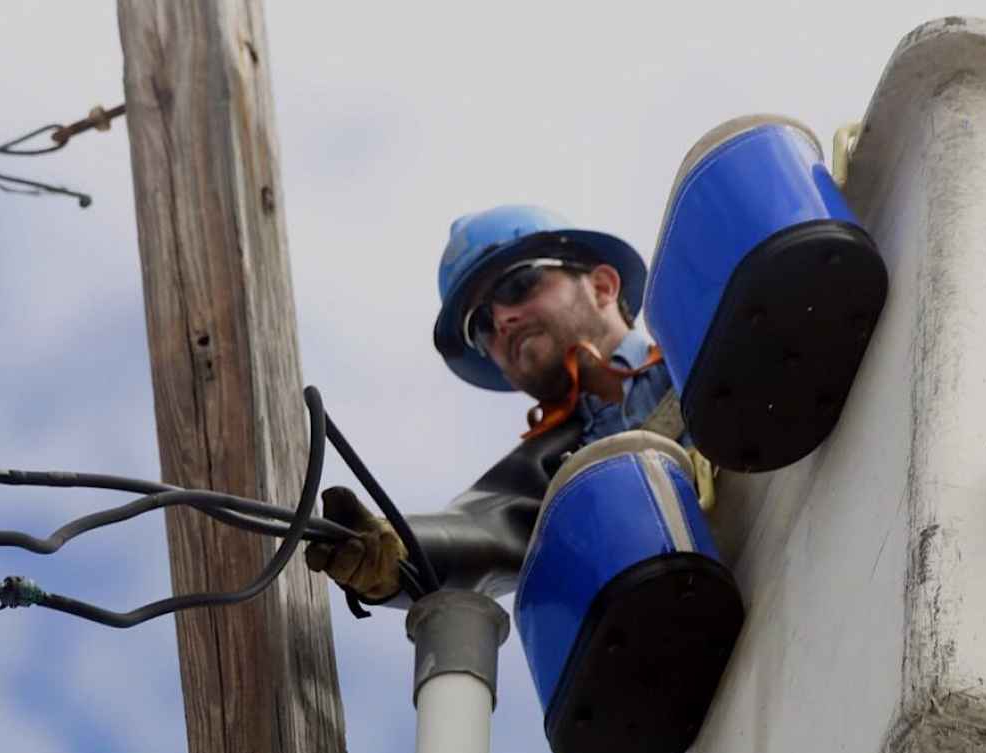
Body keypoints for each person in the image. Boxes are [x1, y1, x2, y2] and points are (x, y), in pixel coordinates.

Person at [305, 205, 712, 606]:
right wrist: (394, 550)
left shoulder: (706, 342)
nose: (501, 320)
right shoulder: (553, 476)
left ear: (603, 287)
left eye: (518, 286)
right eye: (480, 324)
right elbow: (483, 529)